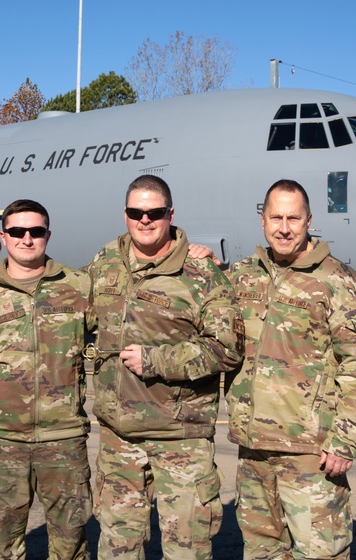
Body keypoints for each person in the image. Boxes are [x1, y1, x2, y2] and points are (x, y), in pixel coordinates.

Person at [226, 179, 356, 560]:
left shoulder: (339, 282)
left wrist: (345, 440)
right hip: (253, 450)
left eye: (294, 218)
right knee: (261, 551)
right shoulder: (243, 276)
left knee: (320, 553)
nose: (284, 227)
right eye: (276, 217)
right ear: (262, 220)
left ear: (309, 220)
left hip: (311, 455)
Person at [87, 174, 243, 560]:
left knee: (186, 552)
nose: (145, 220)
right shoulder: (105, 262)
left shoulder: (202, 274)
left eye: (154, 212)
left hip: (181, 441)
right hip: (118, 441)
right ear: (124, 214)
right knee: (117, 550)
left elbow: (226, 348)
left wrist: (157, 360)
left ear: (170, 214)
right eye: (135, 212)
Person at [0, 199, 93, 560]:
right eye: (17, 231)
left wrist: (195, 253)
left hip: (64, 440)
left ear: (48, 235)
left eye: (36, 231)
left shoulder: (79, 286)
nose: (26, 239)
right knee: (1, 546)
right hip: (1, 441)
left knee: (71, 545)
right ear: (3, 236)